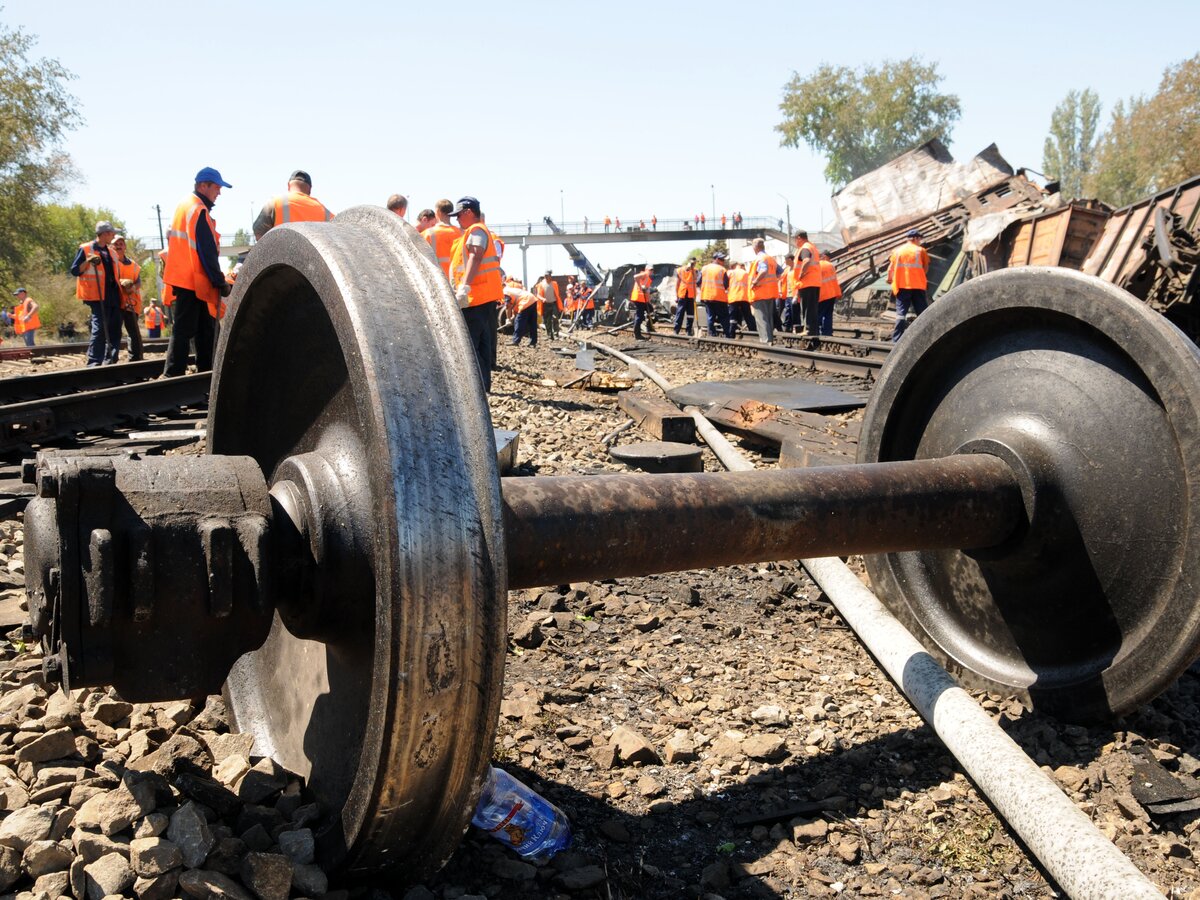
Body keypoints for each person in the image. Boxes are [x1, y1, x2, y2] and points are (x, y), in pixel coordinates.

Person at [163, 167, 233, 376]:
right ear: (203, 185)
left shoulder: (187, 205)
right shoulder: (197, 209)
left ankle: (203, 380)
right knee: (185, 331)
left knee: (205, 331)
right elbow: (206, 249)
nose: (218, 193)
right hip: (191, 280)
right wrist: (219, 280)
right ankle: (171, 377)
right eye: (216, 188)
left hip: (192, 280)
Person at [447, 196, 503, 391]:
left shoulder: (476, 230)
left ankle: (475, 388)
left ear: (468, 212)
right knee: (482, 344)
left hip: (476, 297)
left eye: (459, 215)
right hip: (484, 296)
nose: (456, 220)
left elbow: (476, 255)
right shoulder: (476, 231)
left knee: (471, 343)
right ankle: (483, 386)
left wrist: (465, 286)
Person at [70, 220, 124, 366]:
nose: (113, 236)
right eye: (112, 233)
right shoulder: (86, 249)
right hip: (96, 295)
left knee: (115, 327)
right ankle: (94, 362)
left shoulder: (111, 251)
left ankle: (111, 360)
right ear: (105, 234)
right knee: (100, 328)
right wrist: (87, 261)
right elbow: (75, 270)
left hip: (113, 294)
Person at [253, 170, 333, 240]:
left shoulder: (276, 202)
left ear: (288, 186)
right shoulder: (327, 213)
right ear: (310, 189)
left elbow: (259, 233)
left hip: (281, 255)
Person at [887, 229, 930, 342]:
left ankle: (897, 339)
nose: (920, 241)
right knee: (922, 313)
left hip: (902, 285)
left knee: (901, 314)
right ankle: (925, 338)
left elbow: (890, 268)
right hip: (918, 286)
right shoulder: (921, 251)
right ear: (915, 238)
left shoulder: (897, 251)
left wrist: (890, 279)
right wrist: (919, 275)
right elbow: (925, 268)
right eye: (919, 238)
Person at [111, 235, 144, 361]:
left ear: (124, 246)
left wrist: (132, 288)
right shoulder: (111, 263)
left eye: (121, 244)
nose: (119, 246)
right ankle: (112, 359)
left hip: (131, 302)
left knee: (134, 332)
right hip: (116, 303)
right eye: (116, 244)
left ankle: (136, 358)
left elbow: (138, 281)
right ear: (111, 246)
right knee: (115, 332)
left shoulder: (134, 265)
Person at [747, 238, 778, 344]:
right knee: (769, 318)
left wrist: (755, 282)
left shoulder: (760, 258)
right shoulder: (771, 259)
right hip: (770, 292)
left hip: (760, 292)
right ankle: (770, 340)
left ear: (755, 247)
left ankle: (765, 342)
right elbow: (780, 273)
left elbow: (763, 270)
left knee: (761, 319)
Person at [792, 230, 822, 336]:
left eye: (795, 239)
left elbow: (806, 260)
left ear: (799, 238)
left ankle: (808, 329)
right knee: (812, 308)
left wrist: (801, 274)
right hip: (815, 282)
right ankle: (813, 330)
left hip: (807, 282)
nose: (795, 242)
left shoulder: (805, 248)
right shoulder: (812, 247)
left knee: (806, 308)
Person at [424, 199, 462, 278]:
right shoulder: (462, 233)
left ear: (437, 212)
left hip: (438, 279)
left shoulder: (427, 234)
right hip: (458, 278)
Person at [699, 253, 730, 337]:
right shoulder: (722, 269)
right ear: (716, 259)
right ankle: (727, 335)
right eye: (721, 259)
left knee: (710, 316)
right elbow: (726, 284)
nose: (723, 261)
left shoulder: (704, 268)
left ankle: (712, 334)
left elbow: (698, 282)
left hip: (707, 296)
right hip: (719, 297)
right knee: (724, 317)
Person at [728, 261, 755, 337]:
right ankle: (753, 333)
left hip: (733, 298)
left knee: (733, 317)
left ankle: (731, 334)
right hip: (744, 297)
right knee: (748, 316)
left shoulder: (730, 273)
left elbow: (726, 285)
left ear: (732, 267)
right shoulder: (746, 273)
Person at [817, 257, 842, 337]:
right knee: (828, 314)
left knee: (819, 314)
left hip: (823, 294)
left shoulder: (818, 265)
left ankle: (816, 331)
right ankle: (827, 332)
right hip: (832, 293)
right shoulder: (831, 265)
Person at [673, 258, 697, 336]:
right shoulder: (681, 270)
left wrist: (695, 296)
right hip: (683, 294)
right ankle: (676, 330)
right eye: (693, 263)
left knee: (690, 314)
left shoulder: (694, 271)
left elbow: (695, 281)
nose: (694, 264)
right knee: (680, 313)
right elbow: (677, 284)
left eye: (694, 263)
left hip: (691, 295)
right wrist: (676, 296)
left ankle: (689, 330)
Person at [629, 264, 653, 340]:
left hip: (642, 299)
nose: (651, 272)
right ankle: (637, 334)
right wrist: (640, 287)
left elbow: (647, 291)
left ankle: (649, 327)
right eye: (649, 270)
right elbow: (635, 277)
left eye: (652, 270)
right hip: (638, 297)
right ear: (646, 270)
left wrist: (648, 301)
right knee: (640, 316)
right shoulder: (644, 274)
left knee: (650, 310)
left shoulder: (648, 279)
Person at [537, 272, 562, 340]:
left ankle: (556, 334)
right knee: (547, 320)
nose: (550, 277)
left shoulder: (554, 284)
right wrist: (542, 299)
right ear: (545, 277)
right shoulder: (541, 285)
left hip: (553, 303)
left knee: (555, 318)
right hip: (546, 304)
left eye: (550, 276)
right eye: (548, 276)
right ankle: (549, 335)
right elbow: (538, 295)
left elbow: (557, 294)